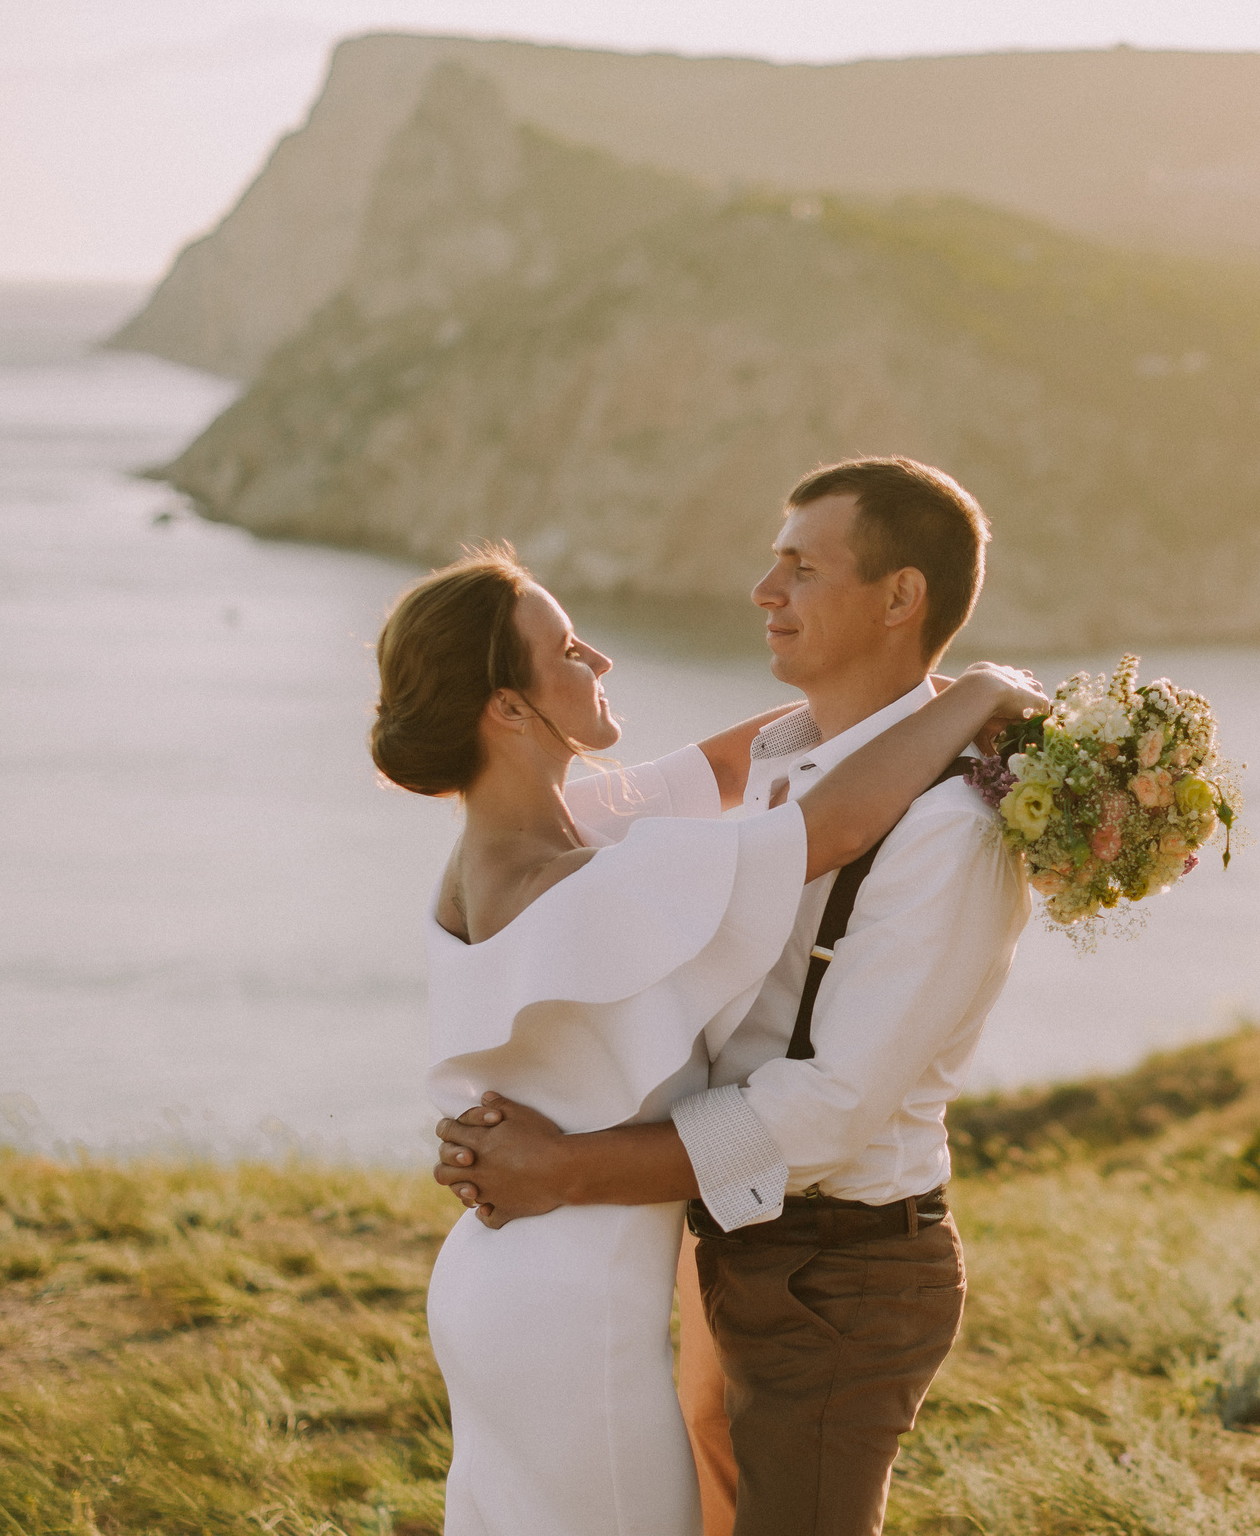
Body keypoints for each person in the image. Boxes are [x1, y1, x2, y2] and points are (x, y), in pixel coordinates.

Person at [377, 536, 1044, 1536]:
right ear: (509, 708)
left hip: (500, 1275)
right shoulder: (592, 880)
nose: (598, 659)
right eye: (567, 651)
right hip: (574, 1298)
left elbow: (733, 764)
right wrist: (982, 691)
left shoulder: (528, 840)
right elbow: (832, 826)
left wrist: (903, 692)